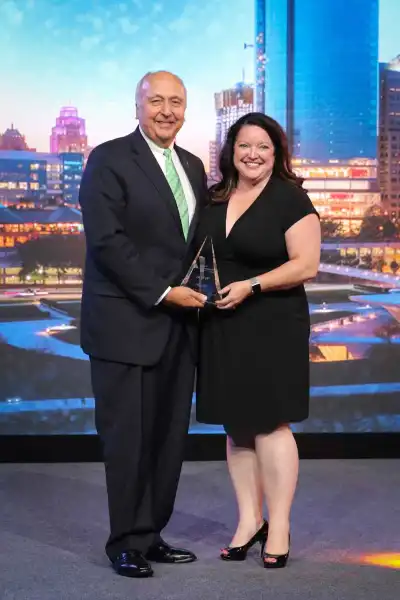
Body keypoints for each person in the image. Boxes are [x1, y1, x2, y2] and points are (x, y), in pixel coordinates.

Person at [79, 71, 208, 578]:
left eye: (176, 101)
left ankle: (151, 534)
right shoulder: (109, 159)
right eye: (157, 101)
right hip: (125, 323)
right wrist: (163, 292)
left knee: (167, 439)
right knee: (127, 441)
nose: (167, 111)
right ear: (138, 105)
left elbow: (195, 243)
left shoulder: (193, 166)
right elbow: (107, 242)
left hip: (180, 327)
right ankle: (125, 543)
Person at [195, 112, 321, 569]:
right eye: (244, 145)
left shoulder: (290, 198)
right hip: (223, 324)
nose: (253, 154)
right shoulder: (215, 198)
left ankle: (280, 525)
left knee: (270, 424)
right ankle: (250, 521)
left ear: (276, 153)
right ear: (231, 151)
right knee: (237, 426)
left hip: (273, 325)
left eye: (263, 146)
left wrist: (253, 285)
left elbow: (306, 264)